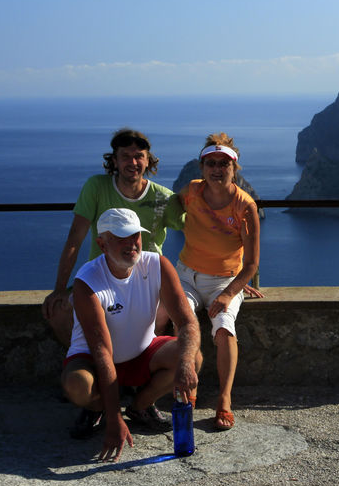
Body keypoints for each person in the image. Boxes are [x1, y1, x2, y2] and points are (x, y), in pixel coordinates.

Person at [61, 208, 202, 462]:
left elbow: (187, 321)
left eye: (135, 235)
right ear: (101, 243)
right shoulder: (88, 282)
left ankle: (139, 407)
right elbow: (102, 351)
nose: (131, 244)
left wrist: (184, 363)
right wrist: (114, 418)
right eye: (121, 238)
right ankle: (98, 409)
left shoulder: (157, 264)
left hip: (142, 352)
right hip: (93, 360)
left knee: (193, 357)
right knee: (77, 385)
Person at [43, 128, 183, 347]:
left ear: (148, 161)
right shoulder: (96, 187)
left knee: (163, 312)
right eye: (125, 156)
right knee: (58, 312)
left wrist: (230, 277)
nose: (133, 162)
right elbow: (74, 239)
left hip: (146, 282)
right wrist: (60, 289)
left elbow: (200, 232)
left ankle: (139, 366)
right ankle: (87, 361)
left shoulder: (164, 198)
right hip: (102, 278)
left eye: (139, 157)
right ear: (114, 161)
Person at [175, 133, 262, 431]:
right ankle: (190, 383)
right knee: (184, 322)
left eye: (223, 163)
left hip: (223, 282)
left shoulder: (244, 206)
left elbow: (251, 262)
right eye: (210, 162)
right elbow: (172, 208)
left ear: (234, 167)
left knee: (224, 328)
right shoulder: (193, 191)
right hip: (186, 274)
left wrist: (232, 291)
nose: (216, 168)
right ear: (201, 167)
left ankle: (224, 400)